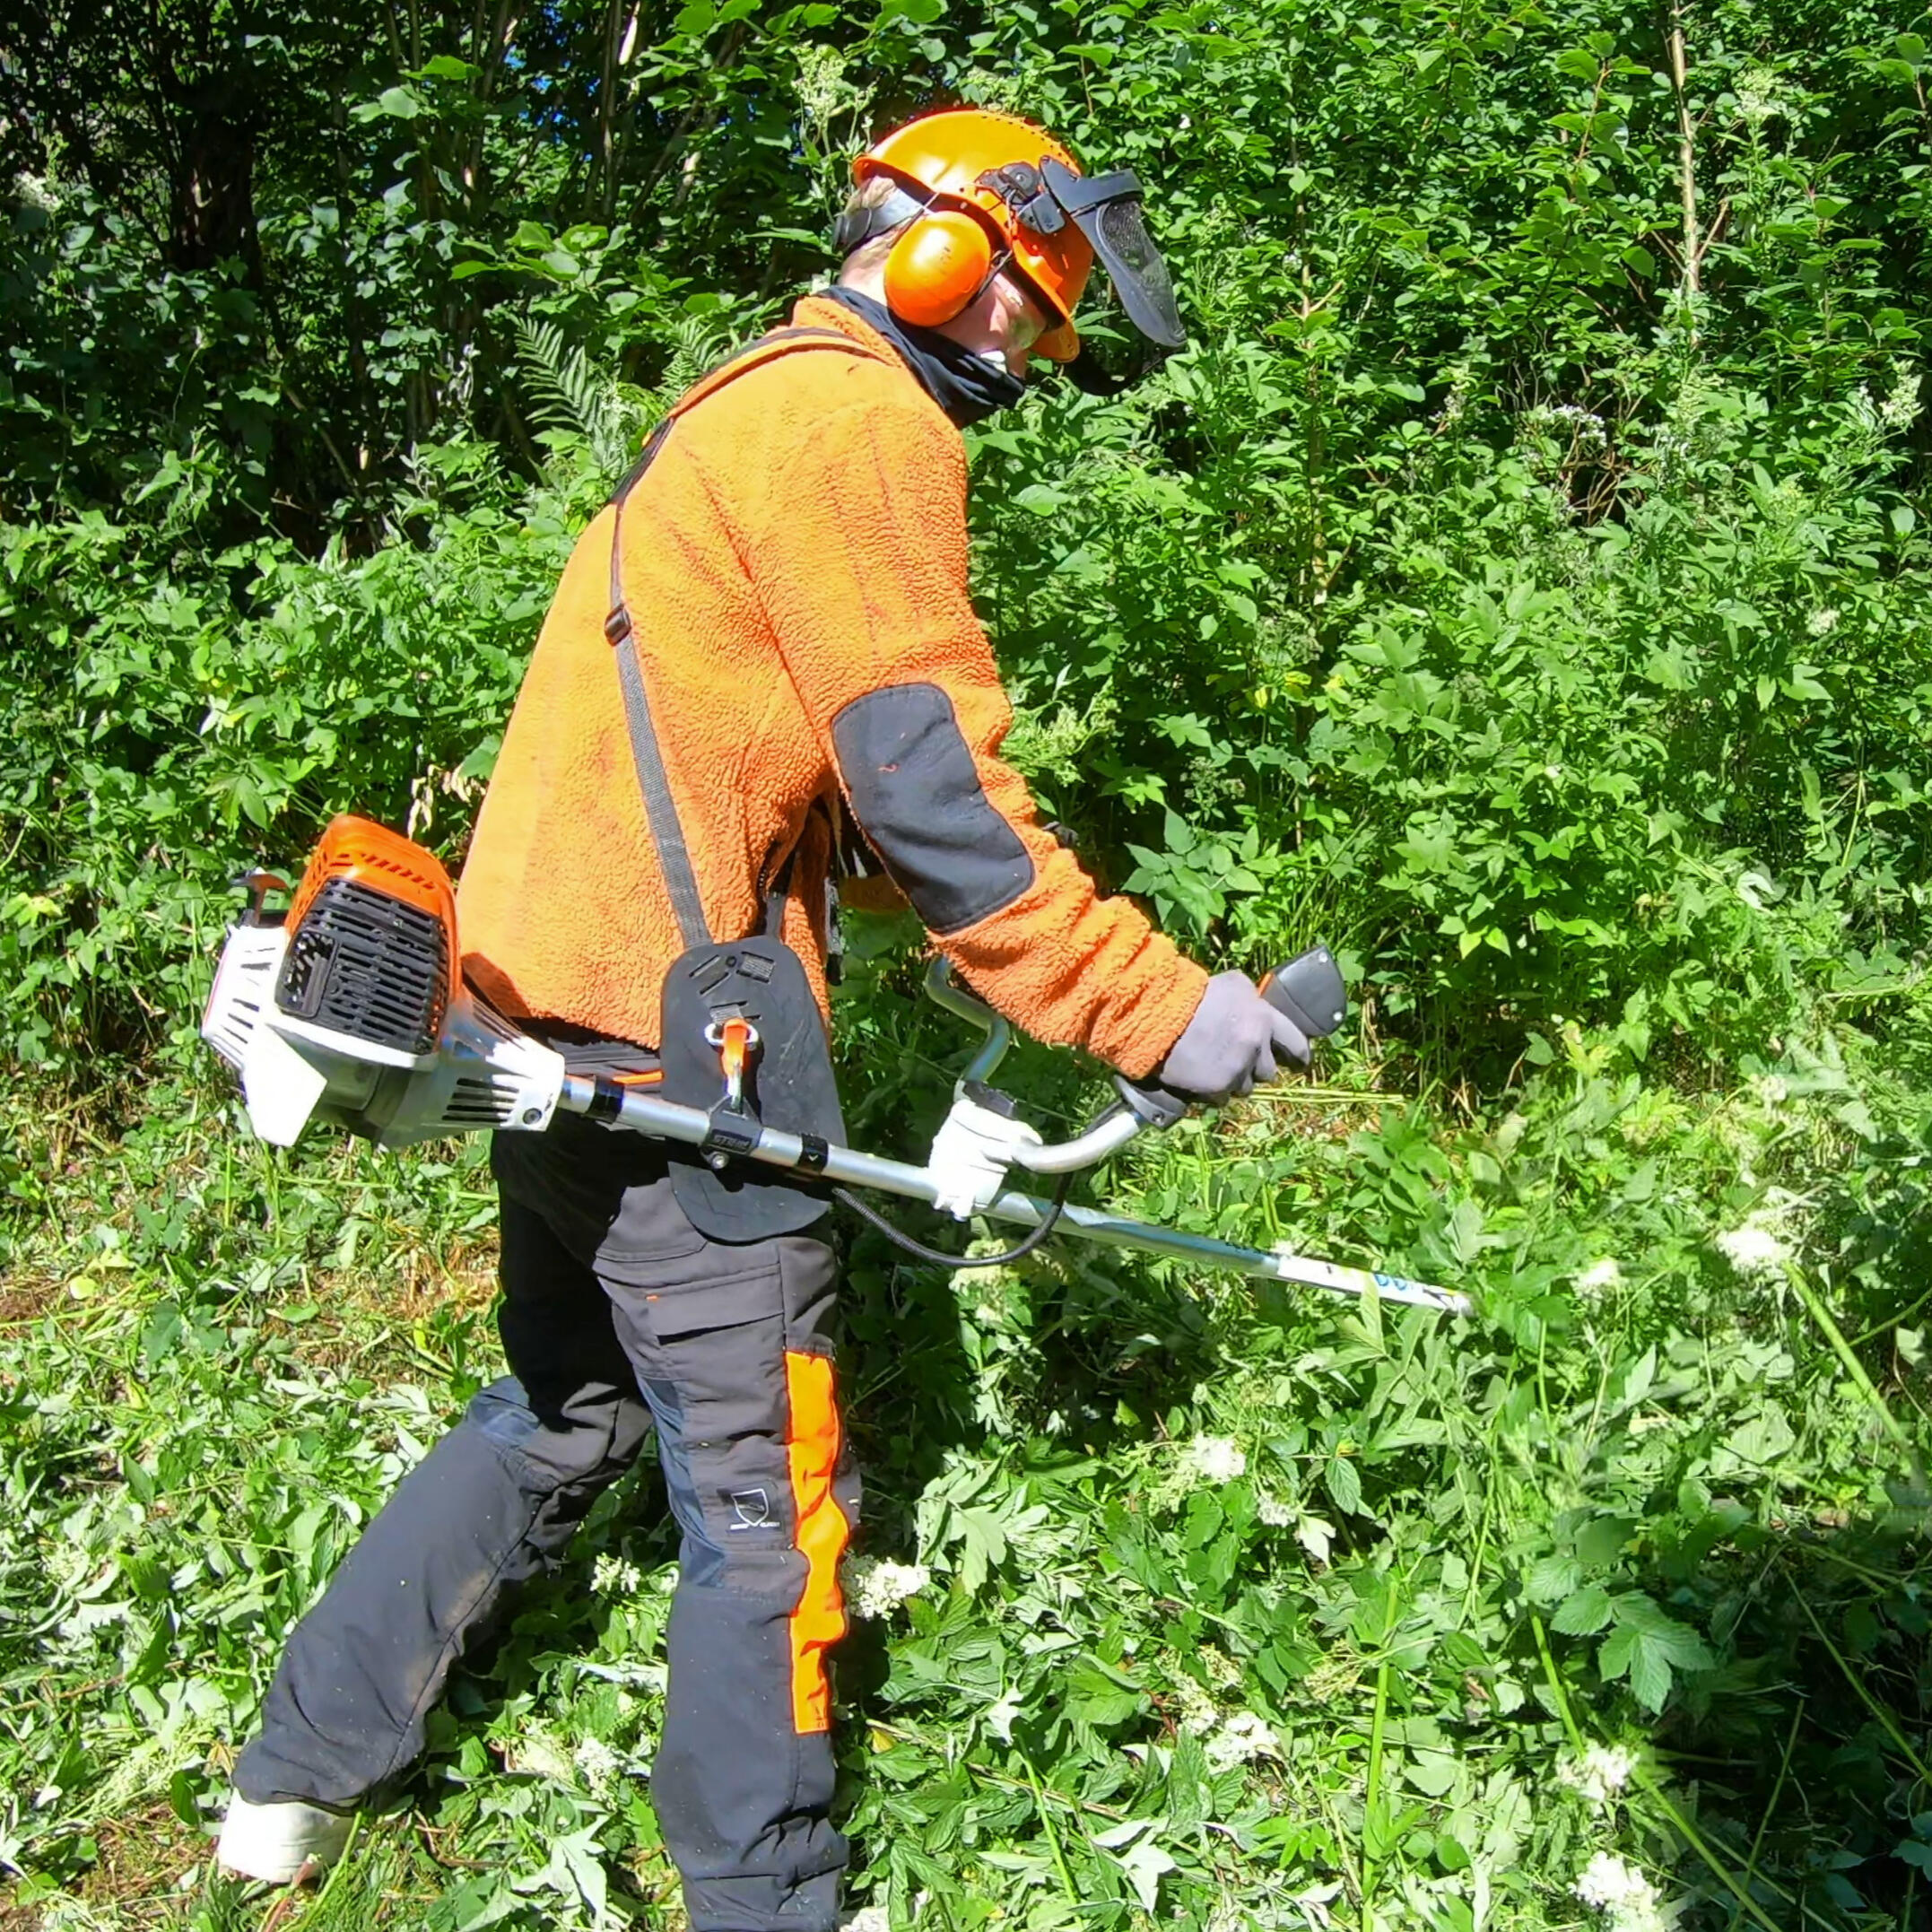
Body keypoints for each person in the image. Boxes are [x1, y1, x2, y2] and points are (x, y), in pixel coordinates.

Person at [214, 107, 1309, 1929]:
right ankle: (767, 1900)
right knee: (767, 1506)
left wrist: (922, 904)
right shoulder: (859, 421)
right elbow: (932, 781)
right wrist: (1154, 1010)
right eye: (1030, 315)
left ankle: (290, 1779)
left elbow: (790, 776)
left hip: (539, 1019)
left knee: (564, 1407)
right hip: (669, 1051)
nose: (1027, 364)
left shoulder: (735, 410)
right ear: (943, 256)